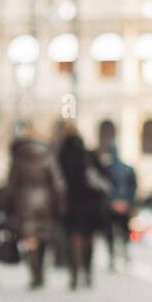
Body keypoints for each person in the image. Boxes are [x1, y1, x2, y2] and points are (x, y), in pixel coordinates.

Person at [0, 122, 62, 288]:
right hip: (45, 202)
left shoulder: (19, 157)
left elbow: (11, 185)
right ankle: (41, 272)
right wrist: (59, 204)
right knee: (44, 238)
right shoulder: (49, 156)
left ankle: (35, 274)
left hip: (24, 202)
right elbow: (58, 184)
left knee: (30, 239)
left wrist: (7, 205)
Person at [57, 124, 109, 290]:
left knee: (74, 238)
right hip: (91, 204)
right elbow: (104, 177)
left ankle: (74, 275)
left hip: (72, 203)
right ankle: (87, 273)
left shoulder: (61, 156)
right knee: (89, 238)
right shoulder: (89, 154)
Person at [99, 147, 137, 271]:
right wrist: (126, 202)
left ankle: (112, 258)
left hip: (112, 206)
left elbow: (104, 188)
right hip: (123, 205)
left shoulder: (106, 169)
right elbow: (132, 188)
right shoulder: (128, 169)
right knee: (124, 231)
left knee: (111, 232)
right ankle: (124, 255)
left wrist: (112, 202)